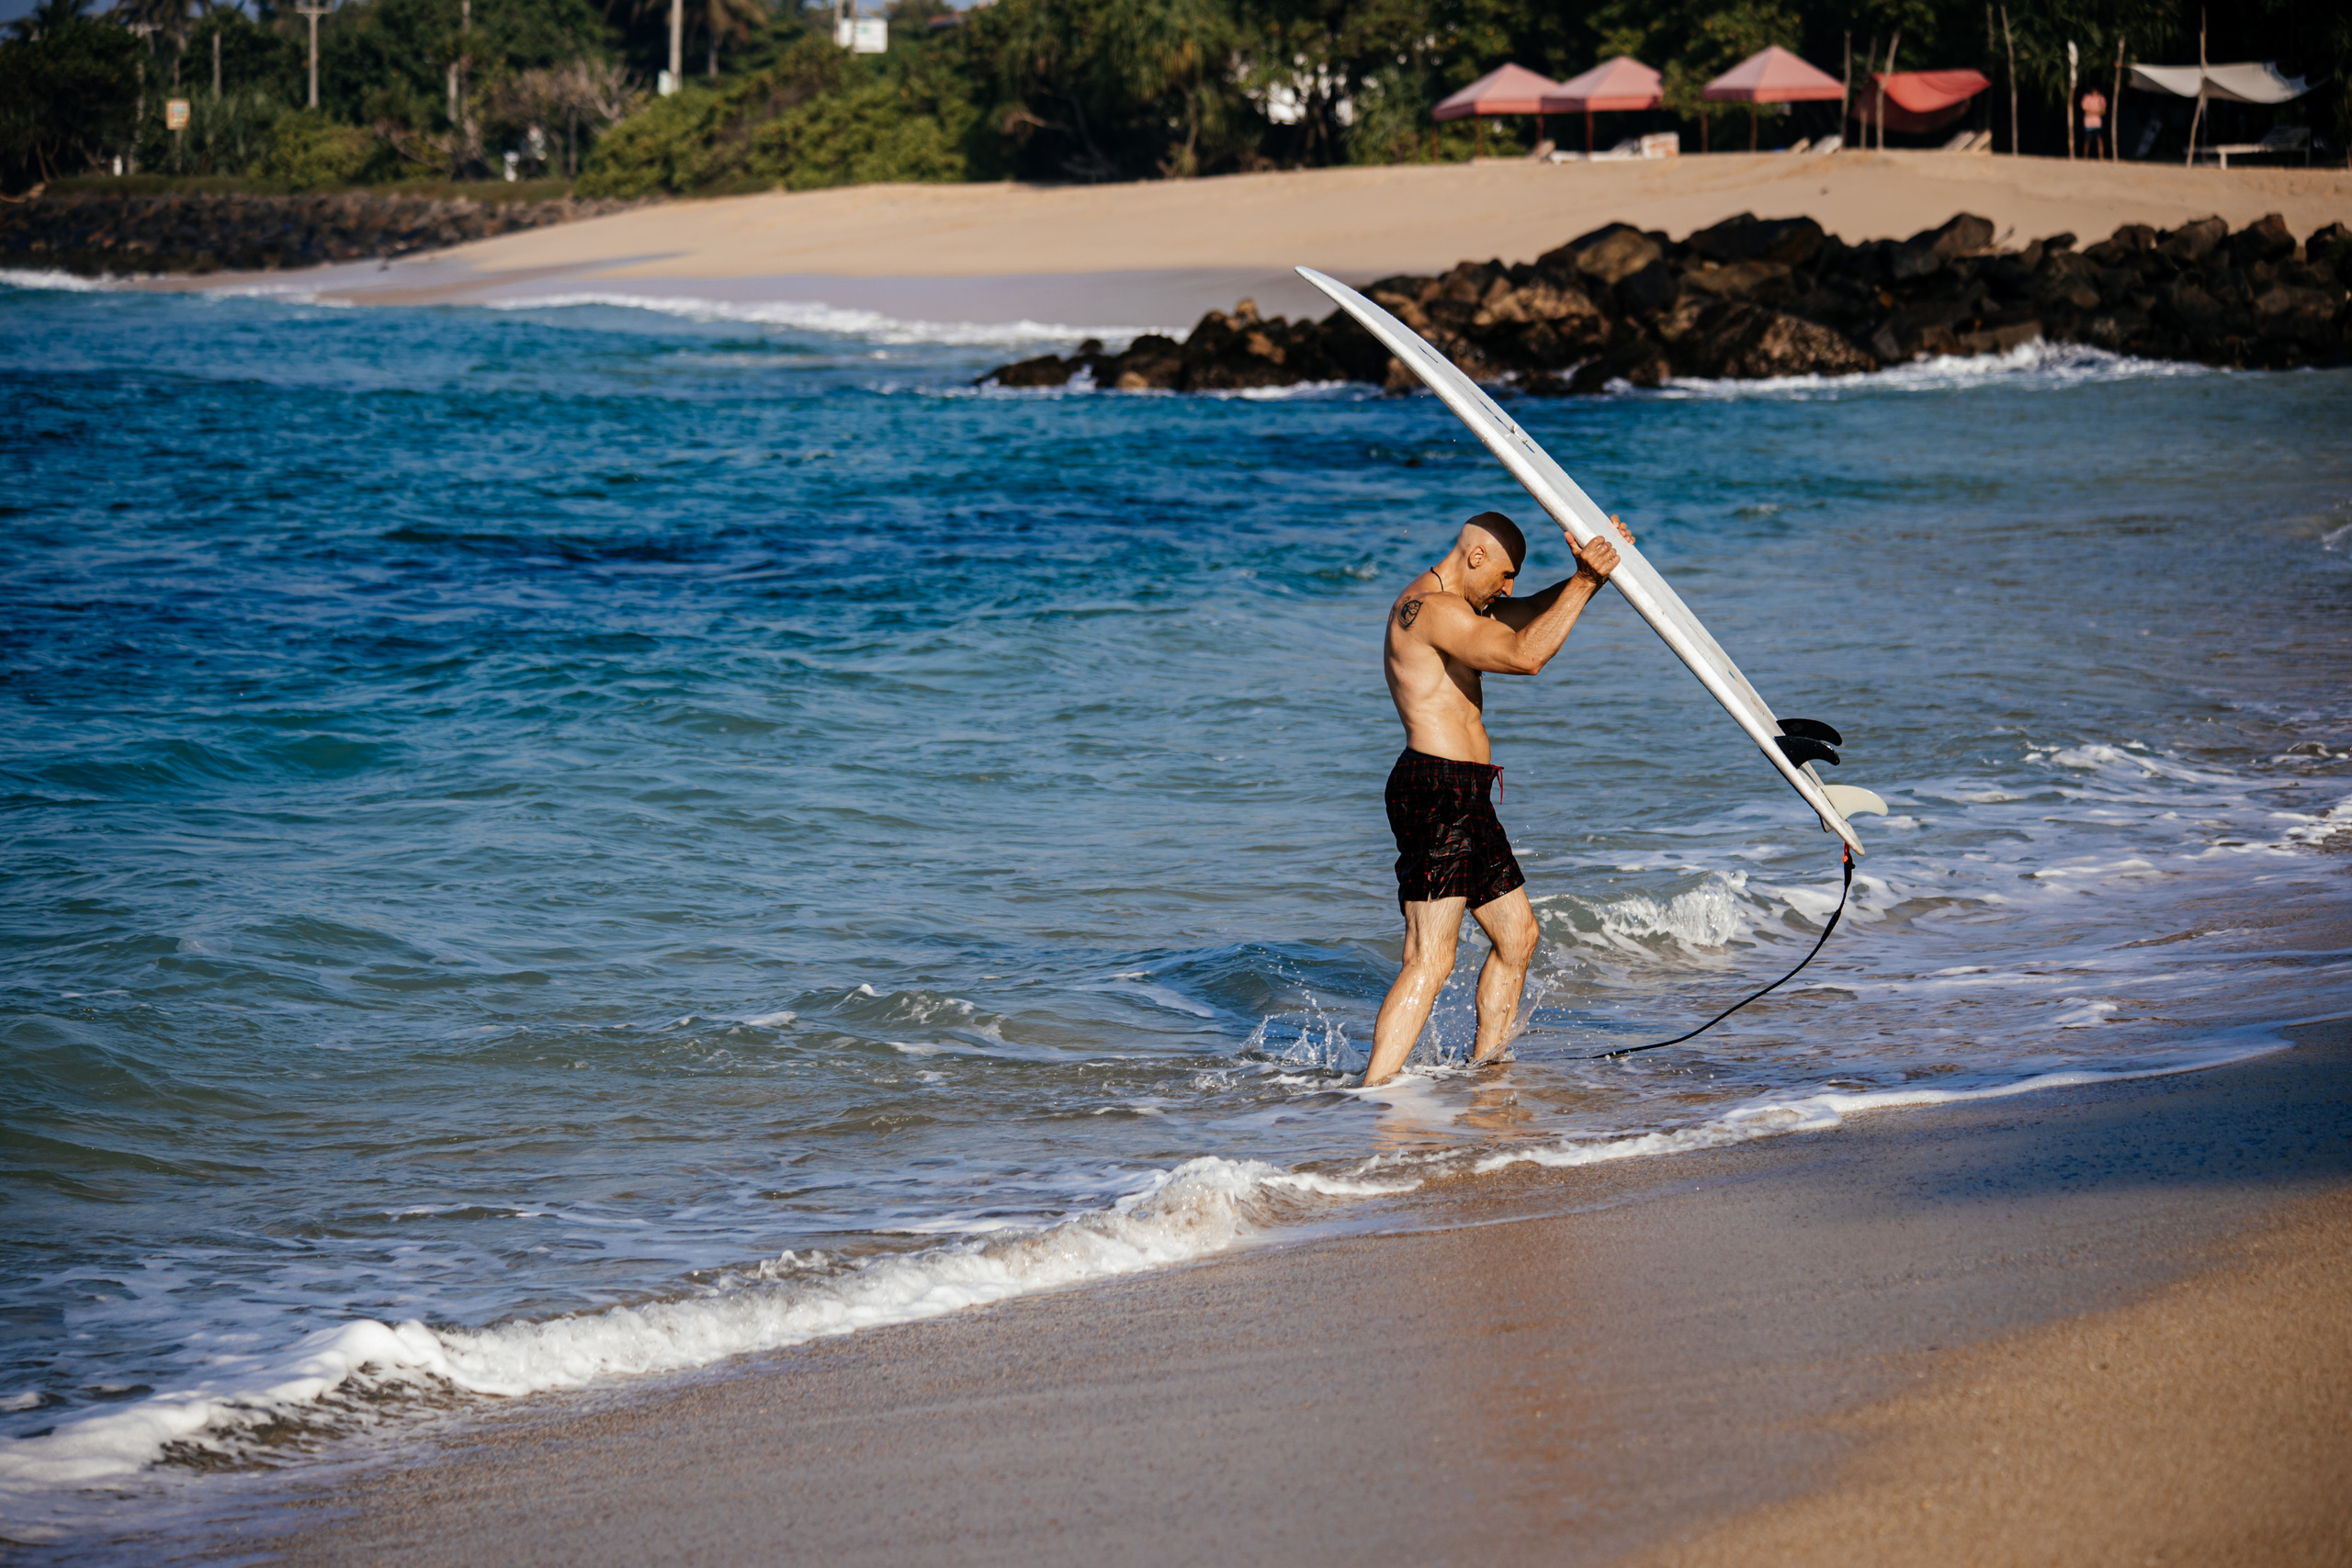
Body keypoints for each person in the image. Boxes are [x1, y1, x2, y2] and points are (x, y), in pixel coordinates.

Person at [1364, 509, 1632, 1088]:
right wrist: (1585, 585)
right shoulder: (1434, 612)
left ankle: (1488, 1078)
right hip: (1434, 790)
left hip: (1467, 793)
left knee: (1518, 938)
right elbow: (1524, 654)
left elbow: (1534, 611)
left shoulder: (1466, 604)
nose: (1508, 589)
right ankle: (1371, 1099)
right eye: (1505, 575)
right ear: (1477, 555)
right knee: (1430, 959)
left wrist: (1597, 569)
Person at [2080, 86, 2109, 160]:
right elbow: (2086, 111)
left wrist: (2092, 112)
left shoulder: (2101, 98)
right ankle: (2085, 158)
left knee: (2099, 140)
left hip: (2097, 123)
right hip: (2088, 123)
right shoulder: (2087, 97)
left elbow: (2103, 111)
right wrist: (2097, 112)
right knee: (2087, 141)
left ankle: (2101, 158)